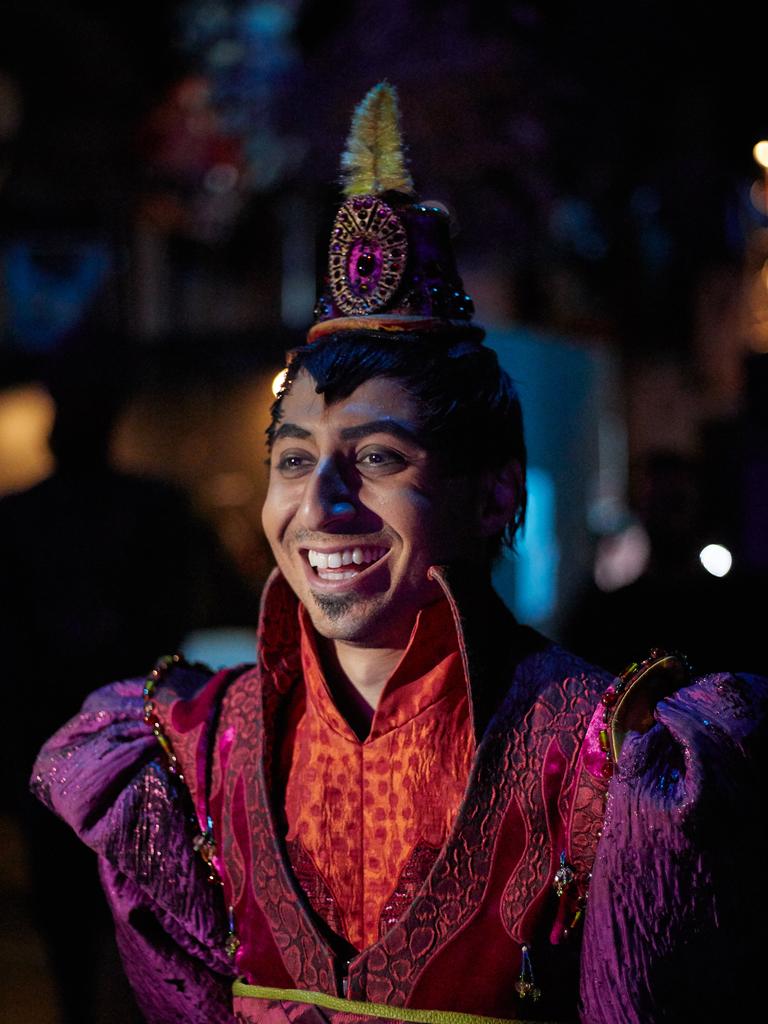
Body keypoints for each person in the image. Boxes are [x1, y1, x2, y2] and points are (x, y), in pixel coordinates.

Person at [31, 84, 766, 1024]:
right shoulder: (192, 757)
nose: (321, 506)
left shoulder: (609, 770)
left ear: (495, 490)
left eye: (378, 458)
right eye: (294, 459)